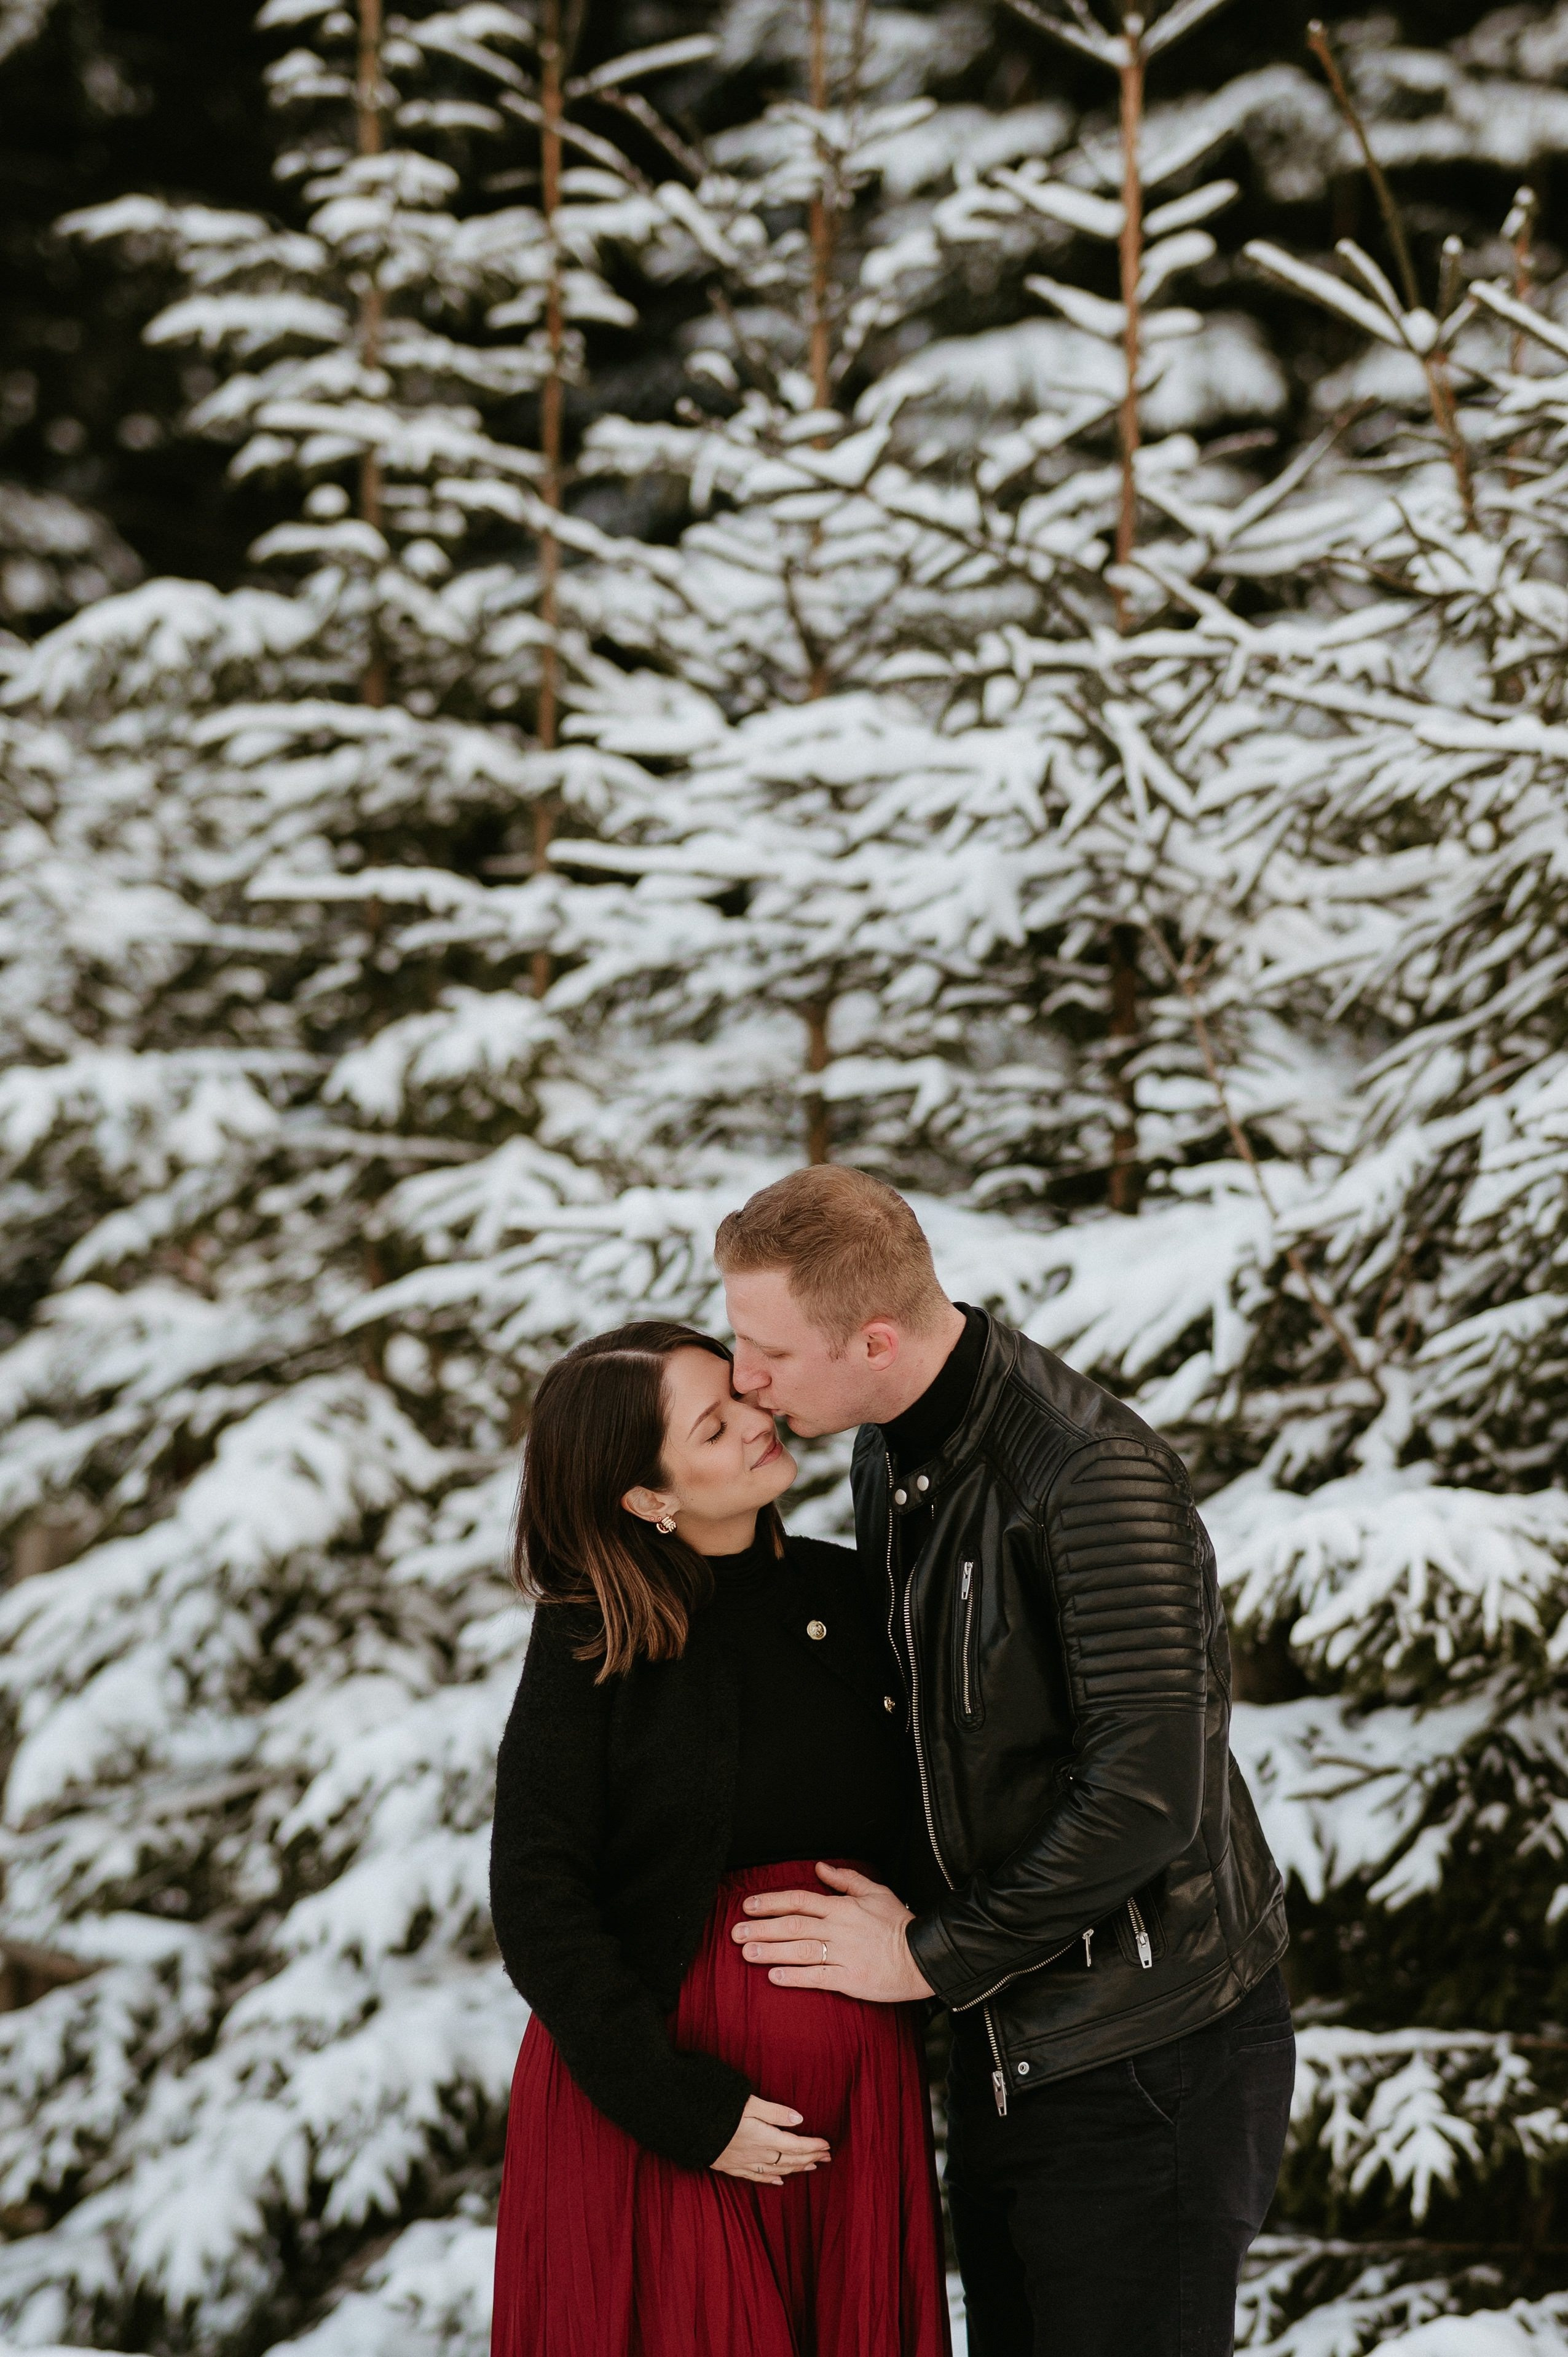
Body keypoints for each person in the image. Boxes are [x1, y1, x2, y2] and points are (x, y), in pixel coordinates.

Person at [719, 1166, 1295, 2357]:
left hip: (1145, 2056)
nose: (744, 1379)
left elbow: (1144, 1802)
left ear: (873, 1339)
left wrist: (926, 1955)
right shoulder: (891, 1449)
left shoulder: (1088, 1481)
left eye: (764, 1349)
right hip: (1013, 2039)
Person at [487, 1319, 951, 2357]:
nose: (757, 1422)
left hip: (851, 2105)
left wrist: (930, 1941)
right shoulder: (591, 1637)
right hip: (665, 2112)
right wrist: (679, 2108)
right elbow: (536, 1892)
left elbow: (944, 1806)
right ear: (648, 1496)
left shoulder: (853, 1591)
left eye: (741, 1395)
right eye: (714, 1425)